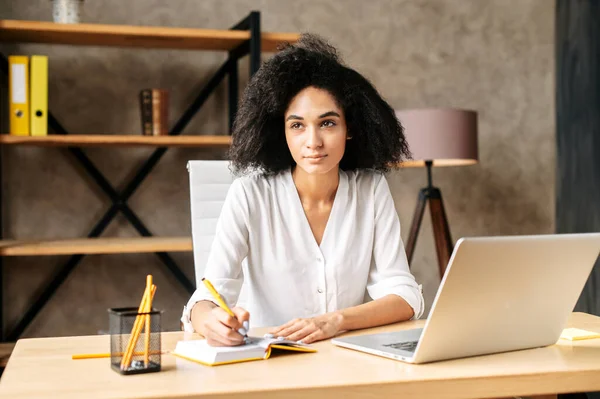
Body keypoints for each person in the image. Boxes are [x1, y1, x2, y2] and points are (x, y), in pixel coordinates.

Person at [180, 33, 424, 347]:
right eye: (297, 125)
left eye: (328, 123)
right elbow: (205, 298)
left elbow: (404, 296)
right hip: (267, 363)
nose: (313, 142)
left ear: (350, 128)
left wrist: (336, 321)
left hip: (344, 362)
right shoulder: (249, 194)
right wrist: (211, 320)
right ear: (279, 131)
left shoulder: (371, 190)